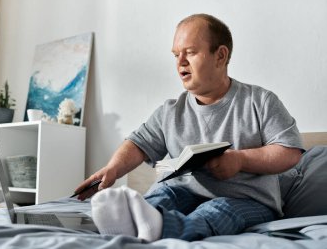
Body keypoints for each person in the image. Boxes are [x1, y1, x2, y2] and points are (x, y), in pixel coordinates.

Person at [74, 13, 303, 242]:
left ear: (220, 56)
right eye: (176, 55)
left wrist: (240, 159)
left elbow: (289, 152)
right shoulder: (170, 111)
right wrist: (113, 169)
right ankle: (130, 220)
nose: (180, 62)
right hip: (183, 190)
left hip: (246, 200)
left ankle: (161, 229)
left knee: (216, 211)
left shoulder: (260, 101)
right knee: (162, 195)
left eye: (190, 53)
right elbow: (138, 143)